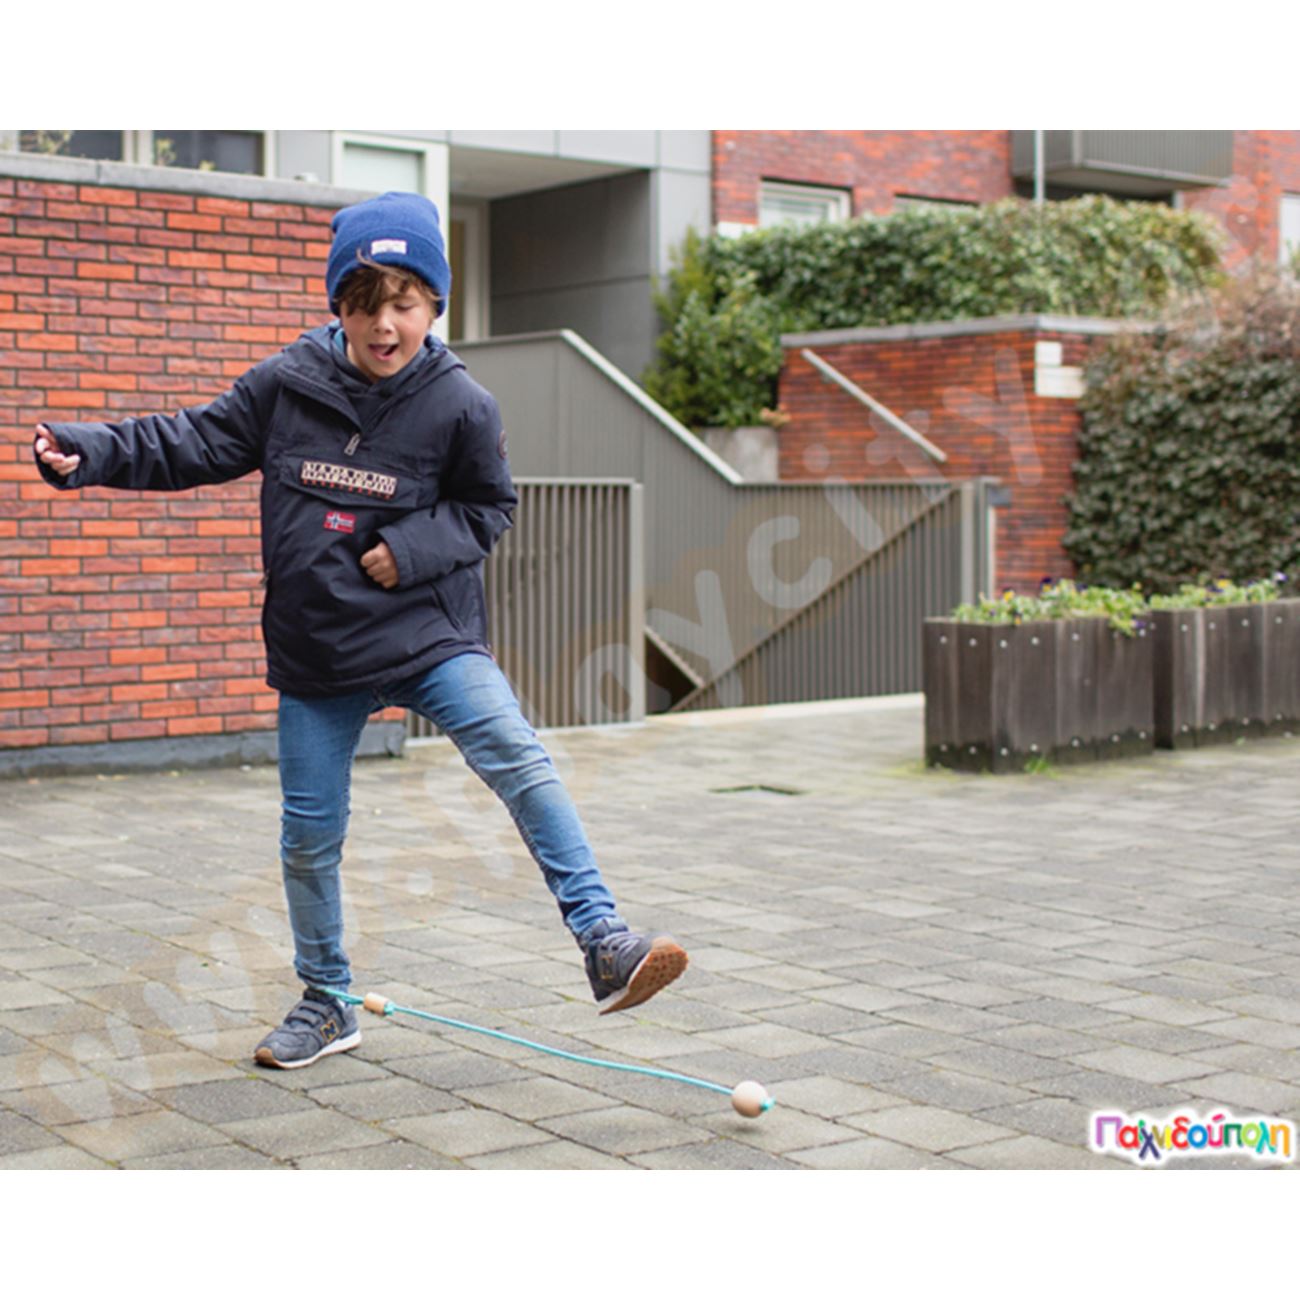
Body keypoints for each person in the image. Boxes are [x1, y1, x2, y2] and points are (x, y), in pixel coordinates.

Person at [33, 190, 687, 1070]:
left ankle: (603, 938)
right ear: (338, 304)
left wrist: (409, 550)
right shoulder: (287, 384)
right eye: (367, 303)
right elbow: (191, 441)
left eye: (405, 304)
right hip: (319, 649)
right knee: (309, 835)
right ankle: (326, 1001)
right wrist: (90, 451)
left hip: (427, 635)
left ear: (435, 305)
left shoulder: (461, 404)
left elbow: (489, 508)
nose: (386, 325)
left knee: (518, 756)